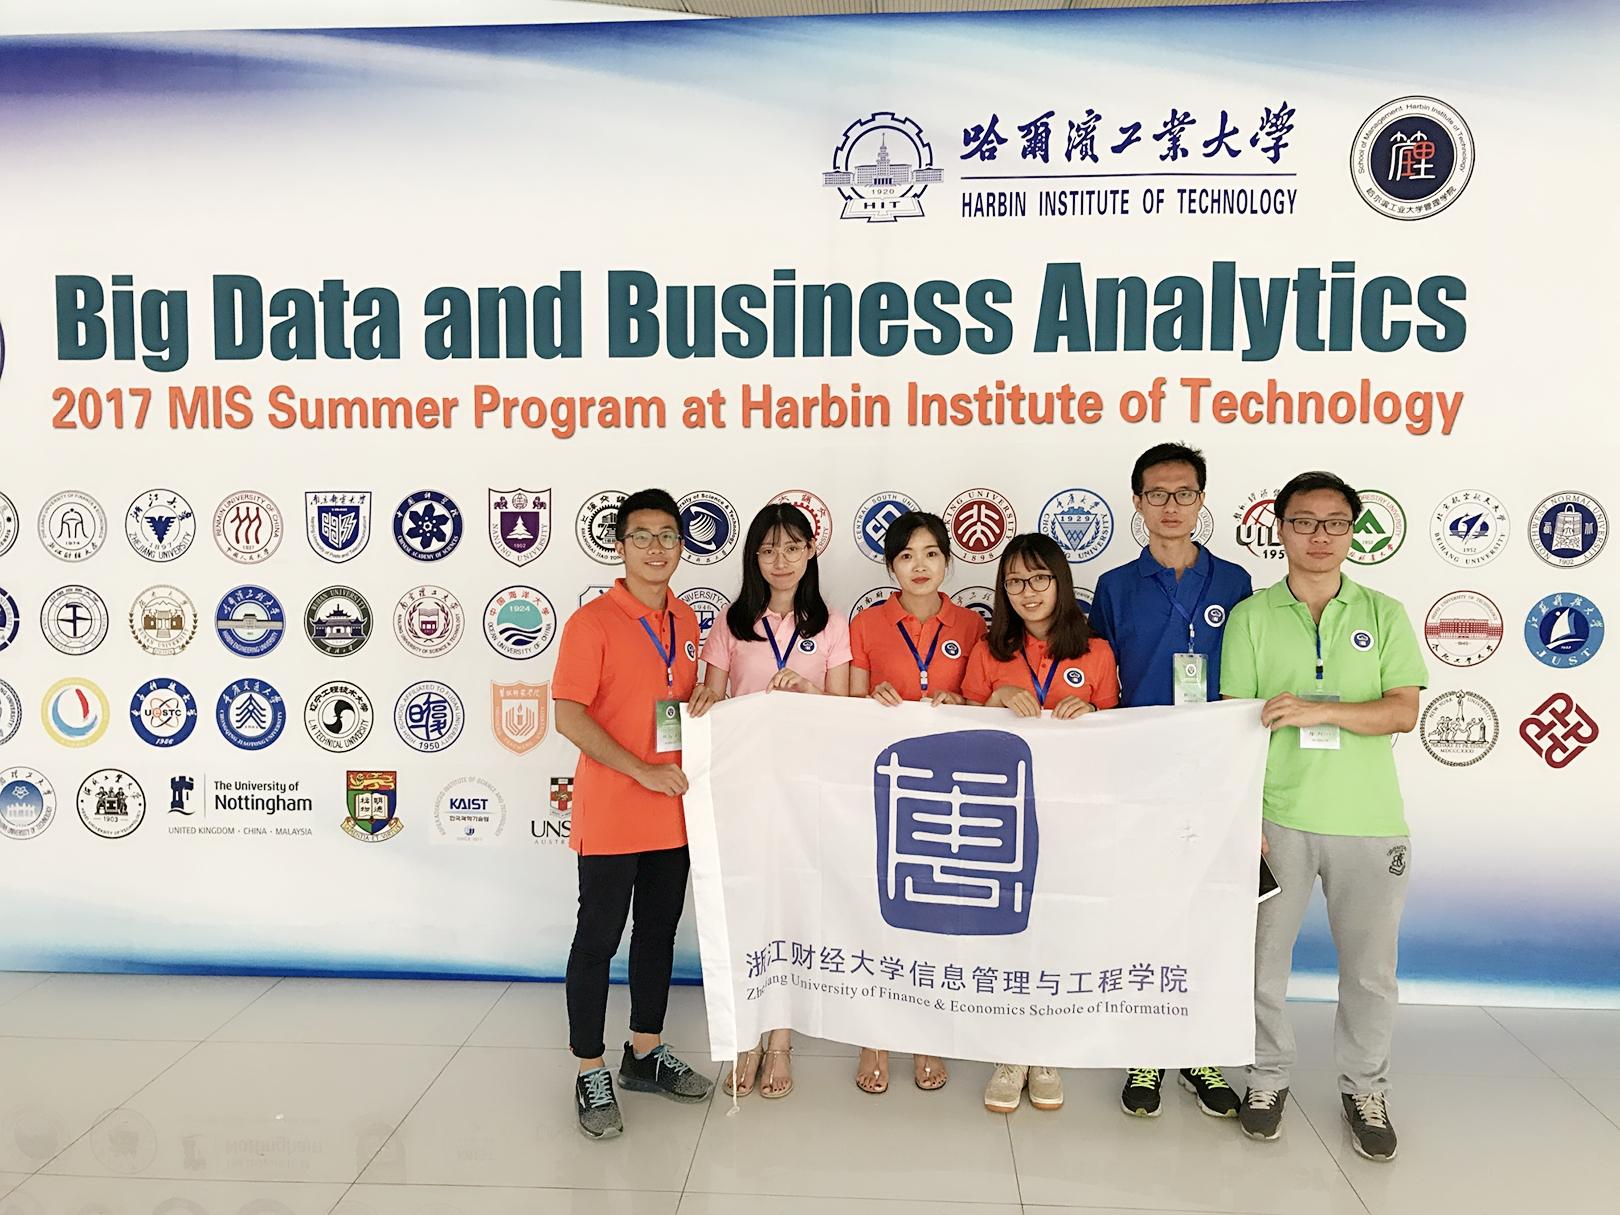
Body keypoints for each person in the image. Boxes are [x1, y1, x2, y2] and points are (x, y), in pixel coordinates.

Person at [1220, 470, 1427, 1161]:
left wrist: (1319, 710)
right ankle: (1266, 1078)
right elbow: (1238, 724)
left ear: (1352, 532)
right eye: (1304, 522)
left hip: (1369, 820)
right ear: (1279, 528)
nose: (1319, 536)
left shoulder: (1383, 613)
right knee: (1260, 963)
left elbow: (1402, 710)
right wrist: (1242, 817)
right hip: (1277, 816)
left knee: (1370, 970)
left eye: (1335, 523)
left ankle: (1365, 1087)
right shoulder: (1252, 616)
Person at [1089, 442, 1252, 1120]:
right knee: (1147, 906)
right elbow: (1097, 675)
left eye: (1184, 493)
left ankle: (1200, 1050)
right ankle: (1147, 1049)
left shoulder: (1234, 581)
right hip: (1141, 765)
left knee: (1208, 908)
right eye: (1157, 494)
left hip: (1216, 767)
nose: (1171, 506)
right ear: (1137, 502)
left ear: (1202, 499)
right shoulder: (1114, 586)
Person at [553, 488, 714, 1141]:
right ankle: (590, 1067)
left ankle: (644, 1052)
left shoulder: (686, 619)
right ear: (620, 547)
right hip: (614, 809)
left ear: (681, 547)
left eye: (668, 536)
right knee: (598, 938)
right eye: (642, 536)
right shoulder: (591, 623)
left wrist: (703, 702)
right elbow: (569, 716)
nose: (656, 547)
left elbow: (670, 705)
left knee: (657, 933)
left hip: (671, 809)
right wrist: (640, 769)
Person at [688, 502, 852, 1099]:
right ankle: (745, 1038)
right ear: (753, 557)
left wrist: (807, 689)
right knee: (745, 911)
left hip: (805, 792)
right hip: (744, 790)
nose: (780, 559)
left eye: (792, 547)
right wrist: (705, 700)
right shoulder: (730, 624)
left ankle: (779, 1041)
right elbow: (712, 698)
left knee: (791, 910)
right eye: (768, 549)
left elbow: (845, 713)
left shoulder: (832, 624)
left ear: (810, 552)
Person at [961, 532, 1118, 1114]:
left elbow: (1120, 731)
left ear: (1060, 582)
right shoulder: (989, 651)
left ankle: (1045, 1049)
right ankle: (1011, 1051)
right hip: (1001, 812)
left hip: (1070, 812)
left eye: (1039, 579)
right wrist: (996, 696)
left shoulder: (1096, 651)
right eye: (1014, 582)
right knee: (1009, 930)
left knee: (1056, 927)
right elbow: (963, 728)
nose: (1027, 592)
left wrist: (1093, 711)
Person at [847, 509, 987, 1094]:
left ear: (947, 561)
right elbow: (850, 709)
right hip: (886, 785)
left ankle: (928, 1031)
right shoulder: (867, 624)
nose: (919, 566)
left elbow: (985, 702)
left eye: (930, 554)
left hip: (949, 787)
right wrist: (873, 697)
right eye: (906, 556)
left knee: (935, 910)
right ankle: (874, 1035)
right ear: (891, 567)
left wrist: (961, 702)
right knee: (879, 906)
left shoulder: (972, 625)